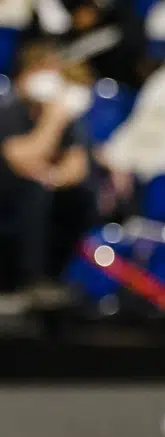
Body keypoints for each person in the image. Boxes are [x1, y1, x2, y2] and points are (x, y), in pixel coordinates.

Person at [0, 43, 95, 306]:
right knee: (33, 192)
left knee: (81, 196)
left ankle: (56, 275)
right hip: (8, 192)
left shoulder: (63, 117)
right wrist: (53, 120)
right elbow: (19, 158)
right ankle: (30, 279)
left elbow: (77, 167)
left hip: (41, 187)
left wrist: (52, 176)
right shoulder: (8, 109)